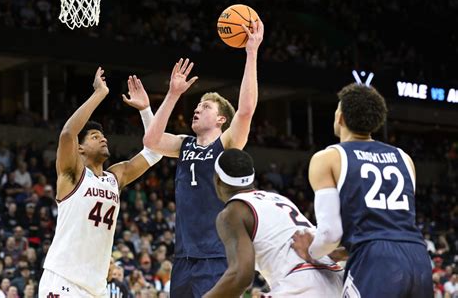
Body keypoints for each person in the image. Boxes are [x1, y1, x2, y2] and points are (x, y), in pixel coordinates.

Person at [141, 19, 264, 297]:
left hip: (216, 255)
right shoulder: (184, 144)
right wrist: (173, 94)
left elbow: (245, 112)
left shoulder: (227, 143)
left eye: (205, 106)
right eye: (196, 105)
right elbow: (151, 140)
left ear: (221, 118)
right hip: (184, 257)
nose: (197, 109)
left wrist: (251, 52)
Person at [292, 83, 433, 297]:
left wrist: (310, 252)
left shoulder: (328, 158)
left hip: (374, 262)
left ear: (341, 118)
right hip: (418, 258)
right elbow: (388, 228)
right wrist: (342, 253)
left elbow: (330, 233)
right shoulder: (404, 158)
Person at [38, 68, 162, 298]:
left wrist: (146, 110)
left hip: (96, 287)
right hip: (63, 280)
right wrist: (99, 93)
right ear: (80, 148)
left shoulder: (116, 177)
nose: (103, 138)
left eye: (103, 135)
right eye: (95, 137)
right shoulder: (72, 174)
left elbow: (154, 152)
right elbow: (67, 134)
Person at [203, 149, 344, 297]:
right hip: (337, 278)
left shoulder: (231, 213)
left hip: (301, 284)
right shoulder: (279, 198)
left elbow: (241, 276)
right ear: (252, 176)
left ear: (217, 180)